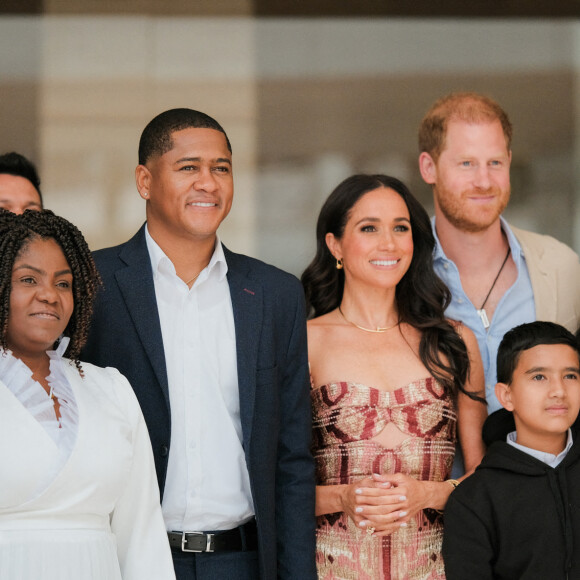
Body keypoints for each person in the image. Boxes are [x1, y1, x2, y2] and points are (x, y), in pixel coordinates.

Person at [81, 108, 316, 580]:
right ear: (145, 180)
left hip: (243, 561)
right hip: (129, 558)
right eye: (189, 167)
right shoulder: (92, 284)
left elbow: (291, 459)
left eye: (221, 168)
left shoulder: (275, 294)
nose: (208, 182)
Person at [301, 174, 486, 579]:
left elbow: (487, 479)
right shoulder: (304, 341)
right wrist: (344, 497)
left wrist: (430, 492)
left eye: (400, 228)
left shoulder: (453, 341)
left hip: (436, 567)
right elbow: (274, 485)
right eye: (369, 228)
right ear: (335, 245)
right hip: (330, 569)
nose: (389, 243)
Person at [0, 209, 175, 580]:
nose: (49, 295)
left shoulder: (110, 388)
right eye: (28, 279)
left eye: (63, 284)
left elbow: (141, 532)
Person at [418, 92, 580, 414]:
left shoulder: (562, 267)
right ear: (429, 167)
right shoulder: (401, 270)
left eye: (495, 163)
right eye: (467, 163)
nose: (483, 181)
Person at [443, 321, 580, 579]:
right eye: (539, 377)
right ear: (506, 396)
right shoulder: (474, 499)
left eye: (570, 375)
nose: (559, 391)